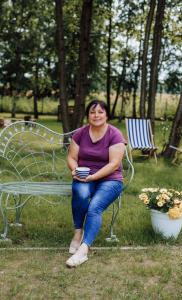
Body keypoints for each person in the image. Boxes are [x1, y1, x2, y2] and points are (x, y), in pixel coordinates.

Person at [66, 100, 126, 267]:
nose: (96, 115)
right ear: (88, 116)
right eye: (93, 112)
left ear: (106, 115)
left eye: (100, 112)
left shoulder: (115, 134)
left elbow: (114, 164)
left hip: (110, 179)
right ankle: (78, 233)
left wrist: (94, 177)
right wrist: (74, 169)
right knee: (81, 193)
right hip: (84, 176)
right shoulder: (80, 133)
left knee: (95, 207)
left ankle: (83, 250)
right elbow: (71, 157)